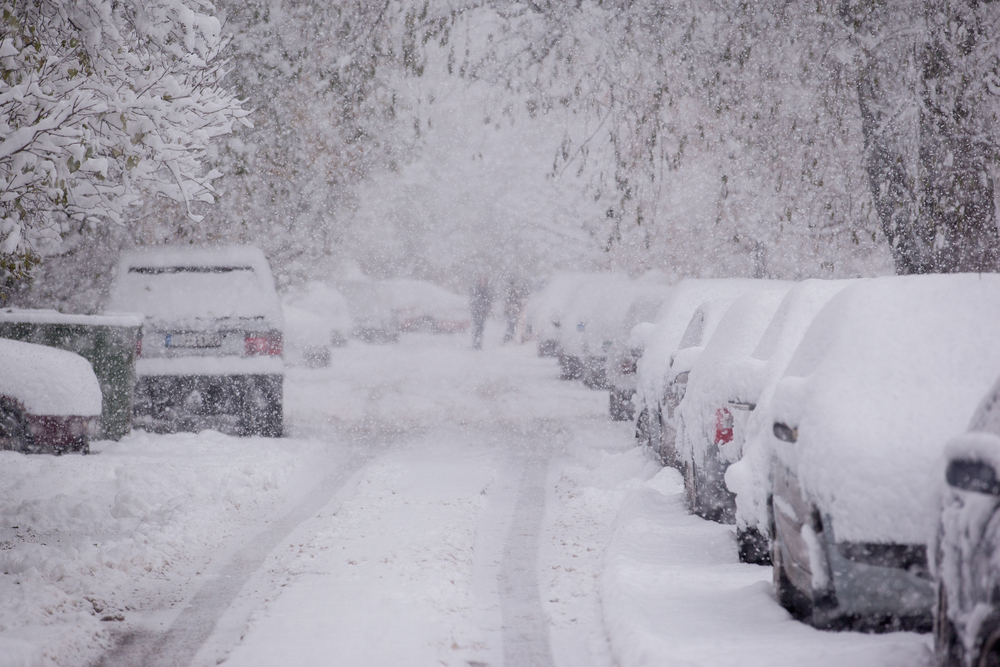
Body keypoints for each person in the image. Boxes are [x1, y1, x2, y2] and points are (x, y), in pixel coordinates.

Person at [502, 276, 529, 344]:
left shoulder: (511, 293)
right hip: (513, 312)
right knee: (512, 327)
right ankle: (507, 340)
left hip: (513, 312)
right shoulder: (514, 293)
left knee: (512, 327)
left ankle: (508, 340)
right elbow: (515, 303)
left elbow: (509, 304)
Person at [469, 275, 493, 350]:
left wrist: (485, 309)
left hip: (483, 313)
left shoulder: (487, 290)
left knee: (481, 328)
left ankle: (478, 343)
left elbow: (489, 301)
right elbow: (473, 300)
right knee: (477, 328)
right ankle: (475, 343)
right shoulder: (476, 289)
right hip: (477, 312)